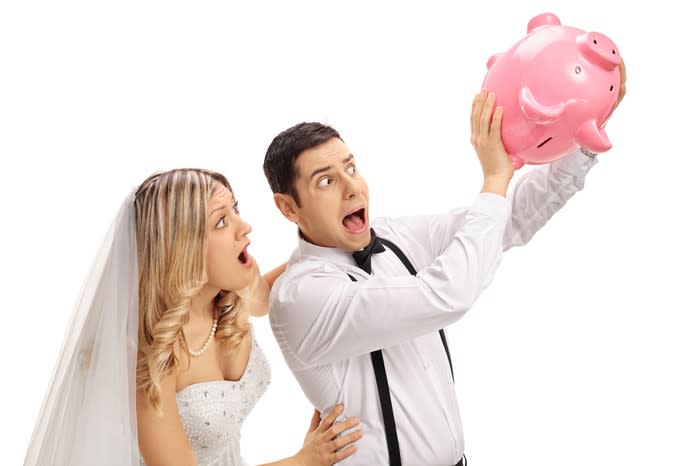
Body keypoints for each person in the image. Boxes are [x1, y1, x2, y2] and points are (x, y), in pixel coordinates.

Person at [262, 70, 626, 465]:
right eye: (325, 182)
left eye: (351, 168)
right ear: (288, 207)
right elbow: (445, 295)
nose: (352, 187)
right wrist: (495, 177)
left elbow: (508, 220)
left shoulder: (395, 238)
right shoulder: (301, 296)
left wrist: (584, 137)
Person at [24, 168, 363, 466]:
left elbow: (275, 295)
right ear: (181, 248)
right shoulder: (148, 359)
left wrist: (333, 244)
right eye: (221, 221)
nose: (245, 227)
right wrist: (302, 461)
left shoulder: (229, 296)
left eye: (236, 210)